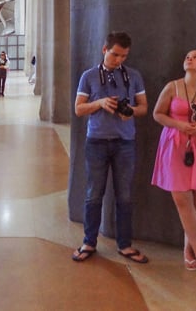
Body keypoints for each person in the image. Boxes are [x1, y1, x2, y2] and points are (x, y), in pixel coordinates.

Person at [72, 31, 149, 264]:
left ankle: (125, 245)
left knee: (124, 196)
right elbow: (78, 109)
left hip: (125, 142)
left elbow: (144, 107)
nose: (119, 60)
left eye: (124, 56)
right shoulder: (89, 76)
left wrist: (131, 112)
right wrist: (100, 103)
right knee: (93, 194)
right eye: (115, 54)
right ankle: (89, 242)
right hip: (96, 142)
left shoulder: (133, 76)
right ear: (104, 50)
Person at [151, 50, 196, 274]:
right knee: (182, 199)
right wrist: (178, 125)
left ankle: (189, 251)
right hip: (175, 144)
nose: (189, 58)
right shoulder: (172, 87)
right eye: (187, 56)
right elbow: (157, 114)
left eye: (195, 56)